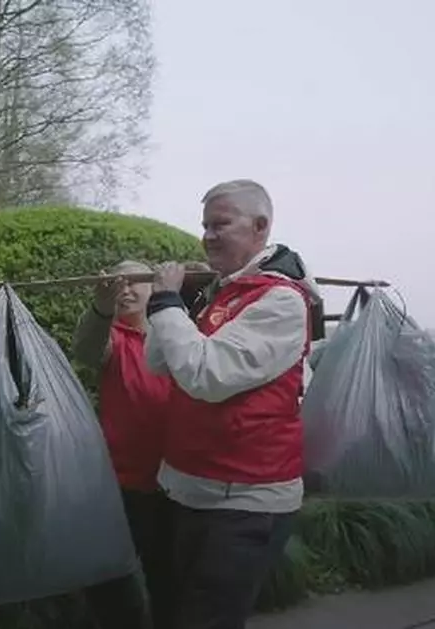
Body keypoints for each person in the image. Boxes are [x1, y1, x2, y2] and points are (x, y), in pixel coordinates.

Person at [145, 179, 319, 629]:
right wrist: (177, 304)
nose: (207, 236)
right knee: (174, 612)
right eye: (204, 226)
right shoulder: (225, 292)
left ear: (260, 226)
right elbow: (163, 362)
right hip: (193, 489)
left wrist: (164, 300)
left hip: (245, 501)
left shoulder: (279, 300)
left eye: (220, 224)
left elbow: (206, 376)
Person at [72, 260, 175, 629]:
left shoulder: (175, 334)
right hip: (122, 485)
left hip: (175, 484)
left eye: (136, 282)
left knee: (169, 579)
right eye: (120, 285)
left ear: (155, 288)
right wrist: (100, 308)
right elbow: (86, 351)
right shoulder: (112, 337)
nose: (127, 290)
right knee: (108, 578)